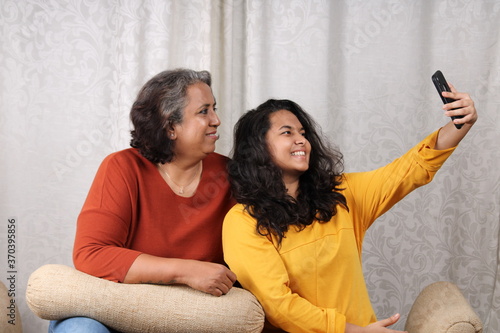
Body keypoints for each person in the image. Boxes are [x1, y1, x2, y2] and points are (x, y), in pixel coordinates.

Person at [222, 85, 477, 333]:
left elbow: (410, 169)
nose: (302, 140)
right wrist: (353, 331)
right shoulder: (243, 222)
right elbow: (278, 305)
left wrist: (460, 124)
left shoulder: (342, 195)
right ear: (258, 148)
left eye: (303, 132)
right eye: (287, 133)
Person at [49, 69, 237, 333]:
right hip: (117, 313)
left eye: (214, 109)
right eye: (204, 111)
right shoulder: (122, 167)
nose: (216, 120)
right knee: (79, 329)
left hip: (191, 318)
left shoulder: (231, 175)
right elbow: (91, 254)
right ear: (170, 126)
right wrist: (186, 272)